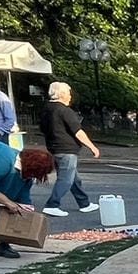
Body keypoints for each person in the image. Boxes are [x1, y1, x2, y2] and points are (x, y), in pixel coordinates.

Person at [39, 81, 101, 216]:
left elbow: (42, 129)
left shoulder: (46, 109)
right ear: (61, 94)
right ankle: (52, 204)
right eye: (68, 93)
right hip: (67, 149)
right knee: (66, 179)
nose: (70, 96)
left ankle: (84, 203)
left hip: (54, 148)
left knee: (74, 179)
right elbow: (78, 131)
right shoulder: (64, 111)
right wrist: (92, 147)